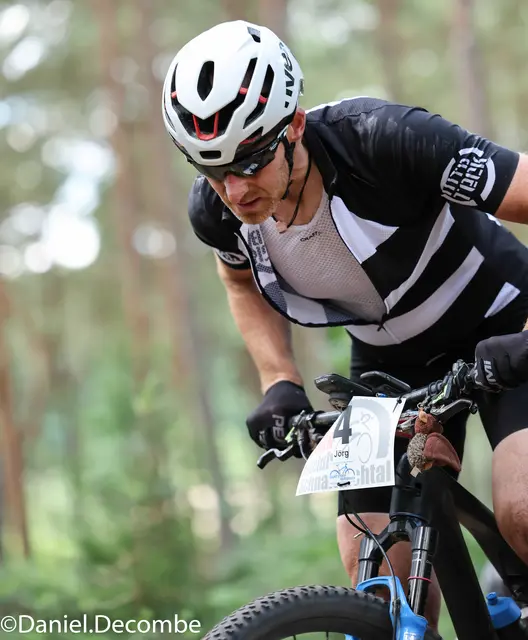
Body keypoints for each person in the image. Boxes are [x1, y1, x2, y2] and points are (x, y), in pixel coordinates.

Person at [162, 20, 528, 632]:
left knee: (522, 512)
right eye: (212, 169)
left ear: (294, 126)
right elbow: (239, 282)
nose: (235, 190)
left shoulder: (386, 140)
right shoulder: (218, 212)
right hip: (388, 363)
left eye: (250, 161)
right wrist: (278, 379)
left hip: (504, 323)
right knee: (378, 577)